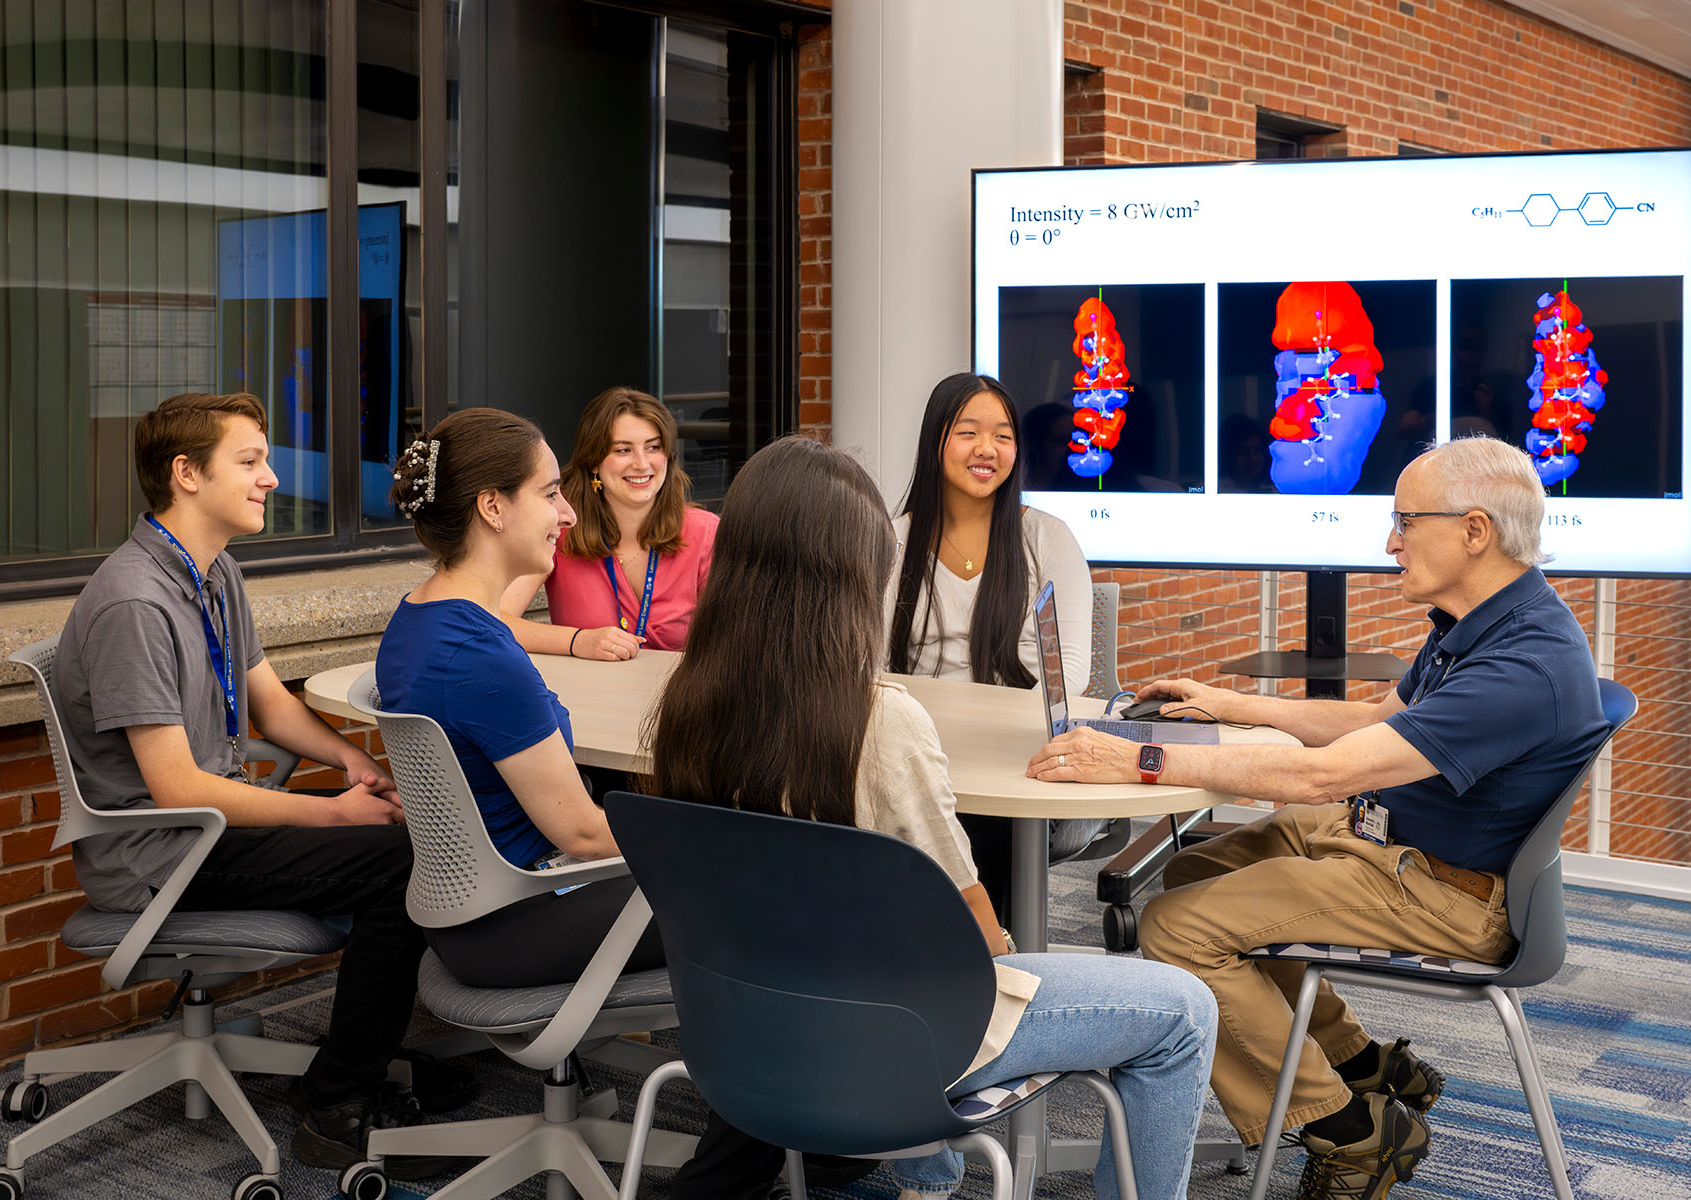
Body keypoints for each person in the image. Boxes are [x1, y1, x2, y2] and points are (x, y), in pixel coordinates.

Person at [1027, 436, 1609, 1199]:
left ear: (1475, 531)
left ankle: (1350, 1131)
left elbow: (1322, 776)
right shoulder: (1479, 620)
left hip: (1444, 890)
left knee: (1177, 928)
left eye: (1405, 520)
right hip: (1391, 840)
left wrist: (1139, 759)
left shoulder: (1523, 665)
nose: (1389, 541)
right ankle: (1363, 1065)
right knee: (1196, 867)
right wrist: (1231, 704)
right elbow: (1373, 721)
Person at [647, 435, 1219, 1200]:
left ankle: (928, 1178)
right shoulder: (881, 723)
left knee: (889, 945)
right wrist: (1011, 949)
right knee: (1184, 1009)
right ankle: (930, 1160)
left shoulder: (683, 708)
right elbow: (962, 917)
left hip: (746, 1029)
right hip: (895, 1041)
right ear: (853, 576)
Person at [53, 391, 464, 1178]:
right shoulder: (136, 602)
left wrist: (355, 766)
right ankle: (339, 1101)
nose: (272, 478)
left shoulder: (212, 573)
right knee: (402, 863)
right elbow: (176, 788)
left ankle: (367, 1057)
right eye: (250, 461)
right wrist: (335, 819)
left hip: (209, 824)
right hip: (159, 851)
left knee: (413, 836)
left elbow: (270, 701)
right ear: (187, 475)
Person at [374, 408, 666, 986]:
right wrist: (713, 846)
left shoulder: (417, 618)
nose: (568, 513)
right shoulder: (481, 655)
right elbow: (582, 835)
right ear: (493, 507)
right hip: (523, 914)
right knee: (760, 888)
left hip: (481, 910)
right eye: (551, 493)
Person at [886, 372, 1097, 916]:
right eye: (969, 432)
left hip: (1019, 753)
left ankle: (991, 964)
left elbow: (1069, 672)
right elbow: (869, 665)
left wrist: (999, 735)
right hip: (925, 749)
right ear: (936, 441)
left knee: (980, 828)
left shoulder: (1047, 538)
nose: (988, 449)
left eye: (1003, 436)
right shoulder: (892, 540)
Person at [498, 386, 718, 659]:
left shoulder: (706, 533)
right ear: (594, 461)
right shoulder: (560, 529)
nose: (641, 463)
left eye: (653, 447)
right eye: (623, 450)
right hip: (586, 697)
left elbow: (731, 639)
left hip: (679, 698)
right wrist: (577, 640)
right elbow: (494, 621)